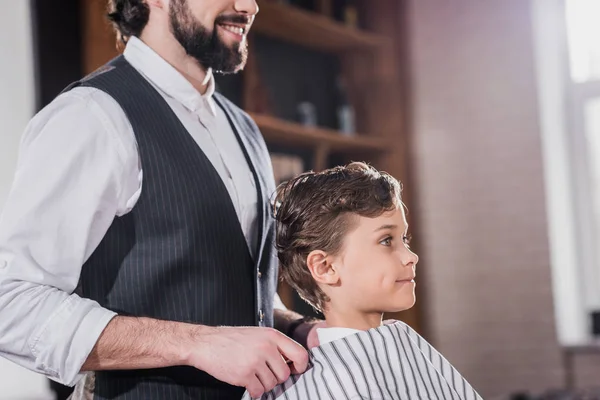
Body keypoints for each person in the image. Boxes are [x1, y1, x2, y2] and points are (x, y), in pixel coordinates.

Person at [0, 1, 324, 399]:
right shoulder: (91, 115)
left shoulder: (244, 128)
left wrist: (295, 328)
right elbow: (10, 304)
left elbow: (231, 284)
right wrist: (197, 343)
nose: (249, 6)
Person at [242, 162, 483, 400]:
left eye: (405, 239)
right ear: (325, 267)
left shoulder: (408, 347)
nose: (411, 257)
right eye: (386, 240)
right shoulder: (287, 388)